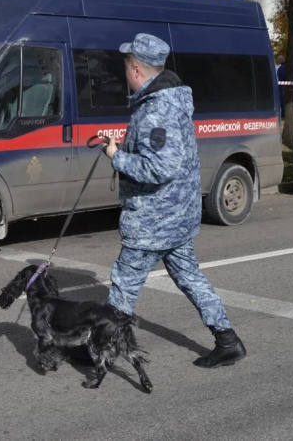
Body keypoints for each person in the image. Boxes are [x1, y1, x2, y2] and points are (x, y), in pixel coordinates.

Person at [100, 33, 246, 368]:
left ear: (137, 69)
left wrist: (115, 156)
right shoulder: (171, 101)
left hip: (155, 219)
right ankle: (227, 340)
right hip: (178, 215)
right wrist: (124, 150)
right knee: (189, 277)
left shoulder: (156, 111)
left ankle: (104, 349)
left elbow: (159, 168)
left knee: (124, 282)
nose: (125, 72)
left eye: (126, 66)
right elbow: (166, 158)